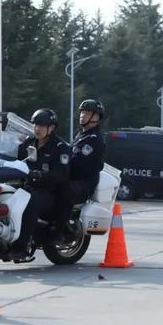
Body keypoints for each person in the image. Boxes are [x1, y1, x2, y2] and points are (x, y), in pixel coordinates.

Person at [13, 108, 70, 262]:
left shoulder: (60, 148)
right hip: (26, 186)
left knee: (30, 204)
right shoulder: (29, 142)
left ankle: (22, 247)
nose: (37, 128)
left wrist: (40, 175)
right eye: (36, 125)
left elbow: (61, 175)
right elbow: (14, 158)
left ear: (51, 128)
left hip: (48, 192)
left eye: (42, 125)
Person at [53, 99, 106, 242]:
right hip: (72, 177)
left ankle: (60, 230)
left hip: (83, 183)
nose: (82, 115)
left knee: (65, 189)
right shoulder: (81, 135)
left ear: (96, 117)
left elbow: (78, 163)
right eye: (82, 112)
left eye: (87, 112)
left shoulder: (95, 139)